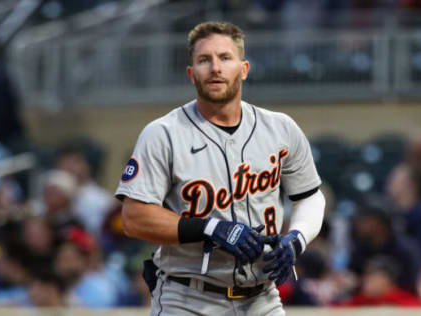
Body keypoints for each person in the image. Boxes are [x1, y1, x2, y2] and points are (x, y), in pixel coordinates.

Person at [115, 21, 325, 315]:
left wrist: (297, 238)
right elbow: (134, 218)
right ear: (191, 74)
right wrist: (210, 227)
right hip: (188, 297)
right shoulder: (163, 133)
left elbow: (309, 196)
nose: (215, 68)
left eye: (225, 58)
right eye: (204, 60)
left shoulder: (280, 128)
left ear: (244, 69)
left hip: (262, 297)